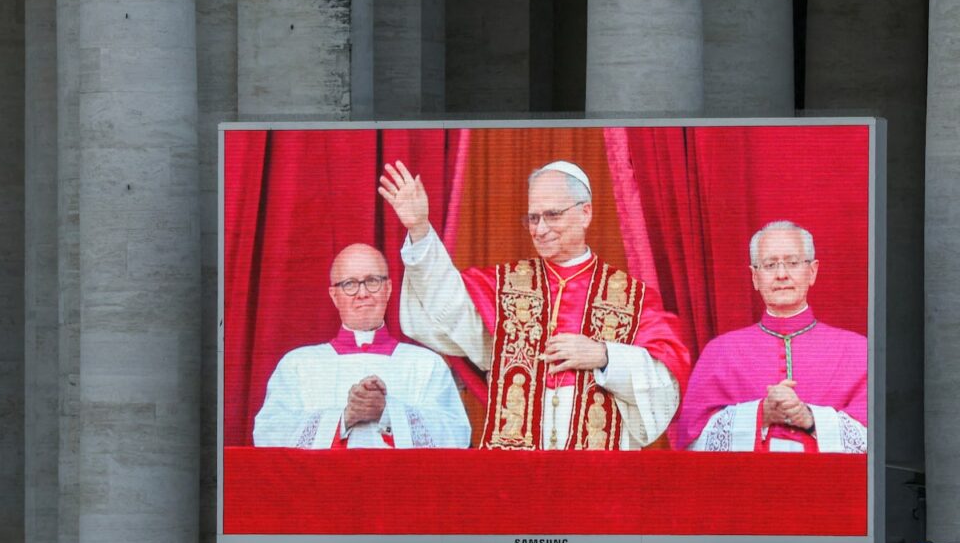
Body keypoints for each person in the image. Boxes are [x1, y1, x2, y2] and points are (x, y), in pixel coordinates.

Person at [383, 160, 691, 449]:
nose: (540, 229)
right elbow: (444, 305)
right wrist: (420, 229)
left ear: (585, 213)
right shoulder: (504, 287)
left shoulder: (632, 298)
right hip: (517, 470)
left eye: (552, 215)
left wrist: (604, 355)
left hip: (597, 473)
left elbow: (666, 384)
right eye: (533, 217)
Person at [252, 244, 471, 449]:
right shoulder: (298, 364)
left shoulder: (426, 364)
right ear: (334, 296)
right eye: (349, 284)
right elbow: (267, 434)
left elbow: (457, 435)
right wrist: (344, 417)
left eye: (372, 281)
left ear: (388, 289)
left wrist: (388, 412)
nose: (362, 293)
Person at [678, 221, 868, 452]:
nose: (781, 275)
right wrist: (760, 414)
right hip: (746, 484)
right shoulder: (720, 352)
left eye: (792, 263)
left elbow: (880, 441)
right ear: (755, 277)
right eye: (769, 265)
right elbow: (691, 442)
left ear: (812, 271)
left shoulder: (858, 351)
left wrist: (809, 418)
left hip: (829, 484)